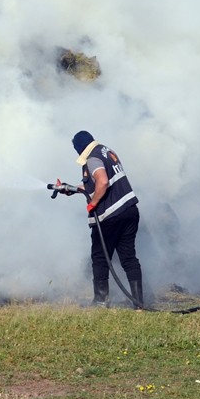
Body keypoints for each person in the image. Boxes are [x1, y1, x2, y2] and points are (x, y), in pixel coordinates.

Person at [70, 130, 144, 307]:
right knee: (128, 257)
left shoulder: (92, 158)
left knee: (100, 258)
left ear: (80, 148)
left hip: (111, 215)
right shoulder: (105, 151)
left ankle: (101, 301)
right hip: (129, 210)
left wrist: (93, 203)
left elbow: (102, 182)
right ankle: (139, 303)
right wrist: (71, 188)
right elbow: (98, 183)